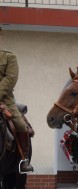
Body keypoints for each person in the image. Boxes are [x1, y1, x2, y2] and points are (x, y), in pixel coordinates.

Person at [0, 27, 34, 173]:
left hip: (5, 99)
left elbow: (10, 79)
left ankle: (23, 160)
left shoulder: (9, 57)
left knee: (20, 125)